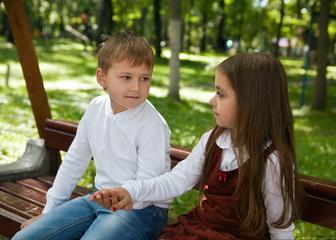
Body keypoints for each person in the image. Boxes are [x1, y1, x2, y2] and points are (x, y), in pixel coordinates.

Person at [90, 53, 303, 240]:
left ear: (251, 103)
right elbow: (178, 179)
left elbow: (280, 227)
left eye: (220, 94)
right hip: (198, 230)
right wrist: (131, 190)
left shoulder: (272, 160)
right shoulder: (213, 139)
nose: (212, 100)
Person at [12, 32, 172, 240]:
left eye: (144, 78)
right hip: (98, 199)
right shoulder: (96, 108)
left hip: (142, 209)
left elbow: (149, 185)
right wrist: (48, 212)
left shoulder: (152, 124)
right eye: (126, 77)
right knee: (24, 238)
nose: (137, 87)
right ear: (102, 78)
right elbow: (74, 161)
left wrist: (115, 199)